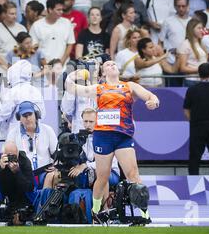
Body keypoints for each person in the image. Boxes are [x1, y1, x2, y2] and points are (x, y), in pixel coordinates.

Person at [65, 60, 160, 222]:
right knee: (102, 176)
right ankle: (95, 212)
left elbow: (151, 96)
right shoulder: (98, 88)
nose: (112, 65)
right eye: (108, 65)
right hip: (103, 136)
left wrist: (153, 103)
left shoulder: (129, 86)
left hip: (123, 136)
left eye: (114, 63)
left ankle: (145, 214)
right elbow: (71, 88)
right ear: (103, 73)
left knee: (134, 175)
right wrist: (73, 75)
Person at [0, 60, 46, 130]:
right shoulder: (36, 91)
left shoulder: (13, 92)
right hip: (36, 133)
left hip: (17, 135)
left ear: (13, 74)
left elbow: (0, 117)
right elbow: (42, 115)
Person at [6, 101, 57, 187]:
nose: (27, 118)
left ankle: (45, 199)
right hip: (23, 174)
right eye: (24, 116)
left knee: (54, 175)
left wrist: (56, 166)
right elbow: (7, 156)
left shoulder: (48, 130)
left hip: (44, 173)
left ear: (36, 116)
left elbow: (57, 155)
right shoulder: (13, 133)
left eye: (30, 114)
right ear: (19, 118)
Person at [0, 141, 35, 213]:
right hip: (3, 197)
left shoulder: (24, 160)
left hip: (22, 198)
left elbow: (30, 187)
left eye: (14, 156)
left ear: (18, 152)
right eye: (9, 156)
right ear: (3, 154)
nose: (12, 158)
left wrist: (17, 172)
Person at [30, 0, 75, 64]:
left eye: (62, 9)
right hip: (43, 67)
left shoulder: (67, 23)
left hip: (63, 66)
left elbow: (70, 44)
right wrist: (46, 66)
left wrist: (61, 62)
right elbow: (33, 47)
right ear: (50, 10)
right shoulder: (36, 25)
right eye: (58, 10)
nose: (61, 12)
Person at [158, 0, 191, 86]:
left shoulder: (192, 21)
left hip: (189, 62)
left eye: (183, 6)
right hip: (172, 62)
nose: (181, 8)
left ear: (188, 6)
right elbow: (160, 41)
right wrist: (163, 60)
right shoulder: (168, 21)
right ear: (175, 7)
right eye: (178, 6)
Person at [0, 2, 27, 74]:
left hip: (19, 66)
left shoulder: (22, 28)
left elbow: (26, 47)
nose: (14, 16)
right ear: (4, 14)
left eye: (15, 13)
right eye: (11, 14)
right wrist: (7, 67)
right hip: (0, 67)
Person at [178, 19, 208, 86]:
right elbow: (182, 68)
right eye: (199, 28)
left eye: (202, 28)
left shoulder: (201, 44)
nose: (202, 31)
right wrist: (201, 70)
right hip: (192, 81)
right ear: (192, 29)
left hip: (204, 80)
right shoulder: (185, 44)